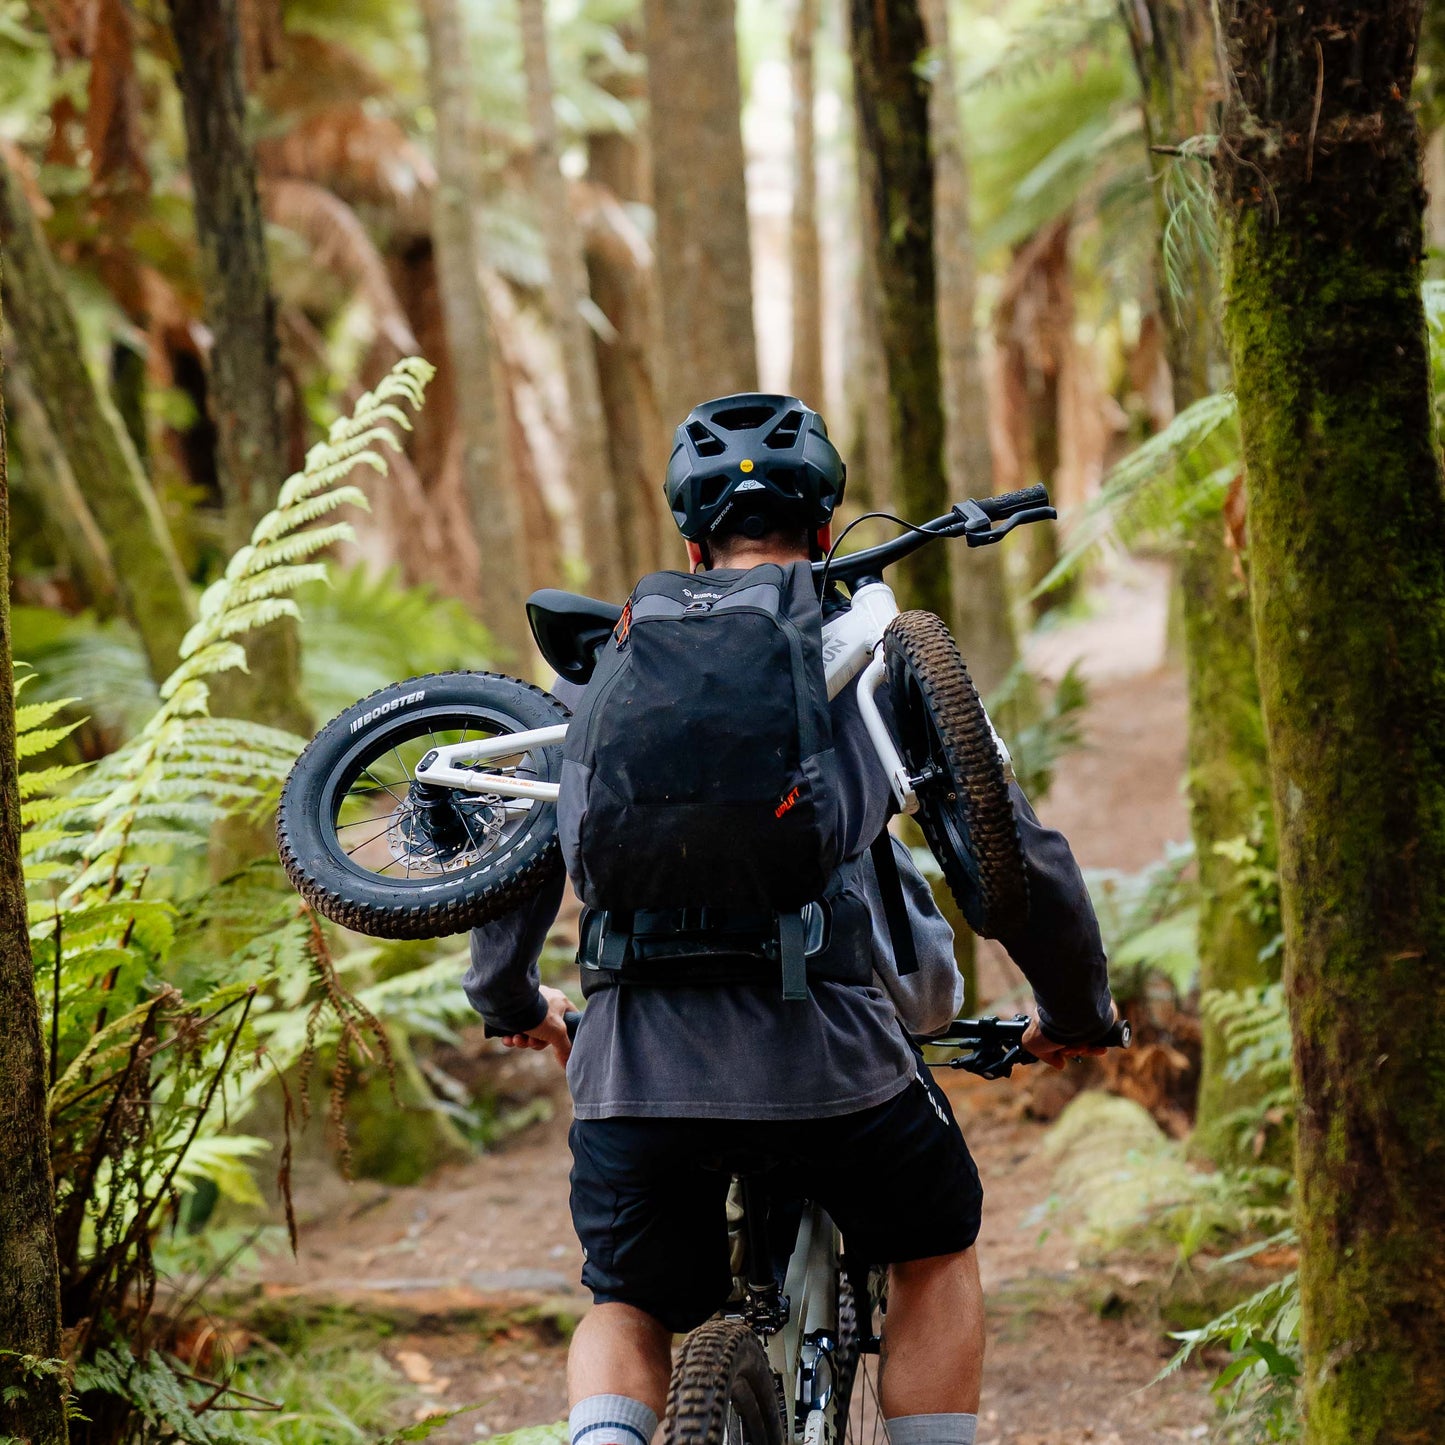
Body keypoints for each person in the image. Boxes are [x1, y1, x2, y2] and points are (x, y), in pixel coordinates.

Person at [464, 394, 1117, 1445]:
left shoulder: (606, 666)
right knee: (935, 1241)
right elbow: (1018, 856)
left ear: (688, 540)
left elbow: (517, 858)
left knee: (626, 1299)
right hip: (838, 1070)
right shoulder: (882, 654)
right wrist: (1075, 1008)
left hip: (634, 1073)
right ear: (825, 534)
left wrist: (508, 999)